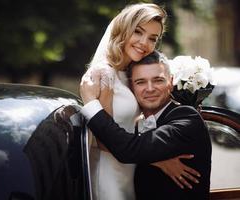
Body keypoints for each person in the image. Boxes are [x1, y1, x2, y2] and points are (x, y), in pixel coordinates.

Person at [83, 3, 198, 200]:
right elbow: (103, 139)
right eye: (138, 32)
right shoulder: (105, 74)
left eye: (152, 38)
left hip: (128, 168)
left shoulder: (129, 74)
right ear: (124, 30)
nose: (144, 43)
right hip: (109, 171)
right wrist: (159, 161)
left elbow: (136, 123)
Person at [80, 51, 212, 200]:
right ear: (132, 87)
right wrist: (158, 161)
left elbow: (129, 149)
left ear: (171, 81)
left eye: (158, 80)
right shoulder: (135, 125)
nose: (150, 89)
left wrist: (91, 103)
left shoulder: (187, 118)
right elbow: (118, 145)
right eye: (140, 82)